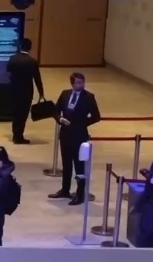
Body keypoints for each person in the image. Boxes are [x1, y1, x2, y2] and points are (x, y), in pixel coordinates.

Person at [49, 72, 100, 206]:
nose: (81, 85)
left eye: (82, 82)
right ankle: (65, 190)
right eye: (78, 83)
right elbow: (55, 110)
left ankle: (80, 193)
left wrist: (81, 123)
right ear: (72, 84)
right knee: (66, 164)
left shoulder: (89, 97)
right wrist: (60, 119)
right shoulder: (65, 94)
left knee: (79, 166)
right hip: (65, 134)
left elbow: (96, 116)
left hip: (79, 135)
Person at [6, 38, 45, 144]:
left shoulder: (13, 59)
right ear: (30, 48)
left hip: (14, 90)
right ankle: (19, 136)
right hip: (26, 92)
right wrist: (41, 92)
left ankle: (15, 134)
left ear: (20, 46)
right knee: (23, 115)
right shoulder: (32, 61)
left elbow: (8, 72)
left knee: (15, 113)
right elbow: (37, 78)